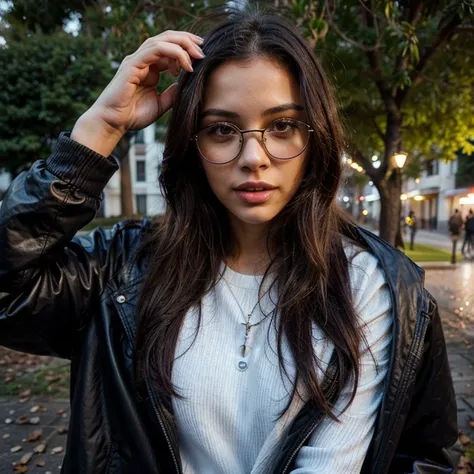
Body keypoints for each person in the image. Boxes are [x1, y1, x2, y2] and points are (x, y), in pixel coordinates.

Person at [0, 7, 456, 474]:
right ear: (191, 144)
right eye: (222, 129)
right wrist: (100, 130)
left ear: (315, 135)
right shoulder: (124, 270)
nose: (253, 157)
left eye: (282, 126)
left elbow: (417, 458)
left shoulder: (373, 287)